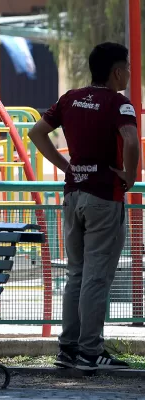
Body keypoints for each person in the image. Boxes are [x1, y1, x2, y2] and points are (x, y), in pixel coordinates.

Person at [28, 42, 139, 371]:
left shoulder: (69, 99)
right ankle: (91, 352)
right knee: (96, 277)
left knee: (76, 274)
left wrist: (67, 167)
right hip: (105, 196)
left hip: (73, 194)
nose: (130, 74)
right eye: (128, 68)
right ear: (117, 71)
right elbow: (131, 140)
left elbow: (36, 132)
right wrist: (129, 176)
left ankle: (68, 348)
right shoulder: (120, 104)